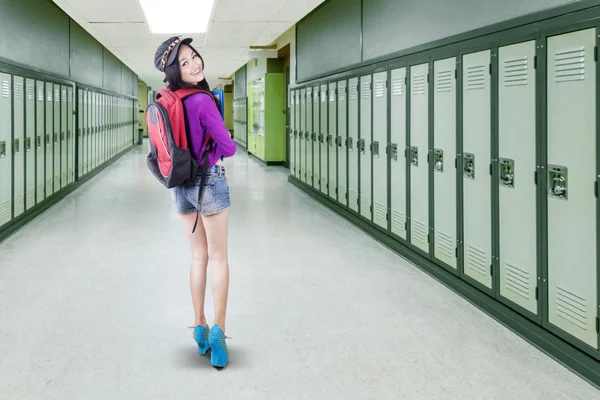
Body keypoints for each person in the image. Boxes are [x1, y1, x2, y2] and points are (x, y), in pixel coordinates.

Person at [154, 36, 237, 368]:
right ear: (175, 71)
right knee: (218, 257)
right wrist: (213, 154)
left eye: (193, 56)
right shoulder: (203, 100)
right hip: (210, 183)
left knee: (197, 257)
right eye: (184, 62)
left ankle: (199, 326)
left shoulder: (170, 100)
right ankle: (219, 330)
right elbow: (228, 148)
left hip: (181, 186)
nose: (193, 64)